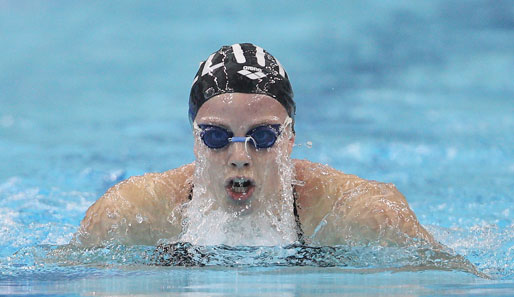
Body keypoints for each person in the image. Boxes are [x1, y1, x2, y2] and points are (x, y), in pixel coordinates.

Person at [74, 43, 438, 248]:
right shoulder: (130, 215)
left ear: (290, 139)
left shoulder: (360, 217)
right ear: (196, 142)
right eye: (216, 137)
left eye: (263, 137)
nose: (239, 158)